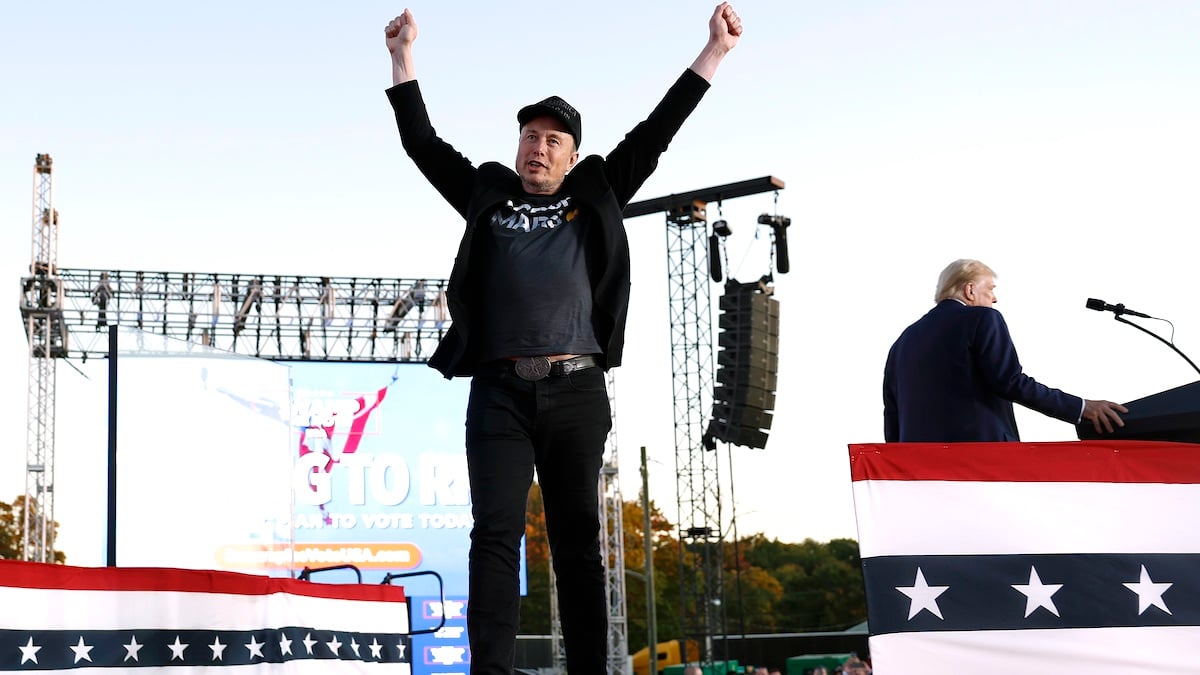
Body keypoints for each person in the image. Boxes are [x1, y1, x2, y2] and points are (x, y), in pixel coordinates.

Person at [383, 5, 742, 674]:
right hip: (499, 391)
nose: (537, 146)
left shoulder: (596, 190)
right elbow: (424, 147)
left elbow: (656, 132)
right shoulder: (489, 190)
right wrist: (403, 59)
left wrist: (713, 51)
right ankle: (487, 668)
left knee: (578, 541)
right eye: (529, 135)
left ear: (572, 155)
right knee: (494, 532)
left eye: (552, 139)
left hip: (577, 389)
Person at [883, 259, 1127, 442]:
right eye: (990, 289)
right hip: (983, 461)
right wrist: (1082, 408)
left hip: (921, 473)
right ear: (969, 290)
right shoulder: (982, 318)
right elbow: (1010, 381)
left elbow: (892, 416)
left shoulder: (903, 342)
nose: (994, 298)